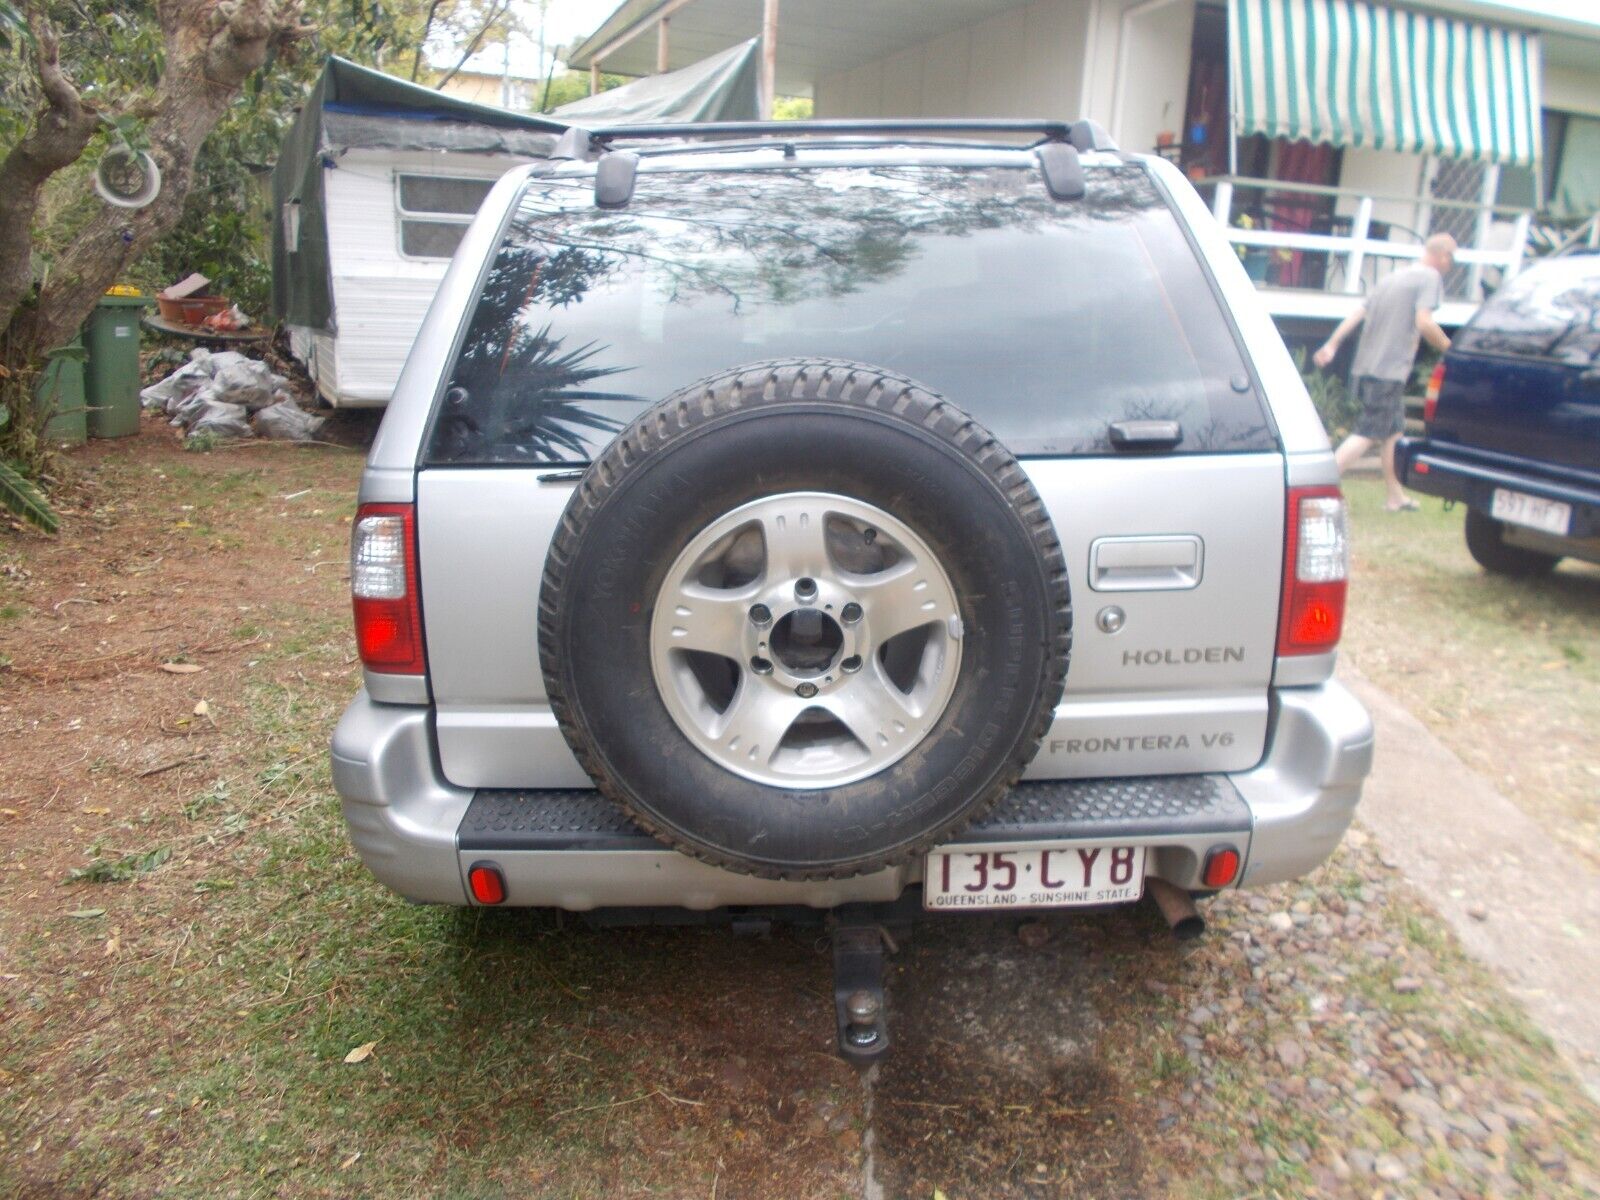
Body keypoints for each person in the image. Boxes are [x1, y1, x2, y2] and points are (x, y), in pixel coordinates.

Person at [1313, 233, 1456, 511]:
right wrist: (1450, 350)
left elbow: (1358, 313)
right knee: (1368, 433)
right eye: (1452, 259)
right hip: (1389, 369)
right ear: (1443, 256)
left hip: (1368, 366)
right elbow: (1424, 322)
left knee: (1393, 432)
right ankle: (1319, 485)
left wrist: (1332, 344)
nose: (1450, 266)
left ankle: (1395, 497)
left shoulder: (1392, 278)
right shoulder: (1429, 278)